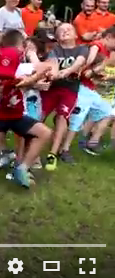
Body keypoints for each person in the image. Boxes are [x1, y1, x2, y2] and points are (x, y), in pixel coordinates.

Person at [0, 30, 52, 188]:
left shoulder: (21, 67)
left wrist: (31, 80)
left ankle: (22, 168)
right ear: (21, 48)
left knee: (44, 132)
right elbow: (42, 68)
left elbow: (47, 67)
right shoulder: (0, 68)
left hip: (17, 114)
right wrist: (31, 74)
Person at [41, 23, 88, 169]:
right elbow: (52, 65)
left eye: (69, 29)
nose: (65, 31)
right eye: (61, 30)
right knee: (38, 116)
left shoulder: (82, 49)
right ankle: (31, 147)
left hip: (69, 90)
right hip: (51, 90)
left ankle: (52, 153)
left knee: (62, 116)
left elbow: (79, 62)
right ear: (57, 37)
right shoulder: (55, 50)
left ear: (76, 35)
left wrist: (67, 71)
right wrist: (54, 74)